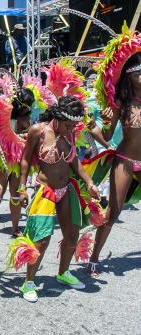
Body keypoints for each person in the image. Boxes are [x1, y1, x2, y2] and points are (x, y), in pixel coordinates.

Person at [18, 96, 100, 302]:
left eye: (74, 125)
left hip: (66, 189)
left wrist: (89, 183)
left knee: (72, 235)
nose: (71, 128)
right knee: (41, 239)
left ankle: (63, 273)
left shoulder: (70, 134)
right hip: (45, 190)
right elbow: (25, 159)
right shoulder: (38, 131)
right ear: (57, 117)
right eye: (67, 124)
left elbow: (76, 164)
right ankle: (28, 282)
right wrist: (21, 187)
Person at [88, 31, 141, 276]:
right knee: (113, 213)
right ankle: (94, 257)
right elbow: (107, 139)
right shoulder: (122, 103)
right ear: (129, 78)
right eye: (139, 74)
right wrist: (94, 126)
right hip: (125, 161)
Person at [0, 87, 35, 237]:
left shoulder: (28, 118)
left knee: (16, 194)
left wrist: (27, 136)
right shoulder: (6, 116)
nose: (29, 106)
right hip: (2, 159)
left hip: (18, 160)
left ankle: (15, 228)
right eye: (28, 103)